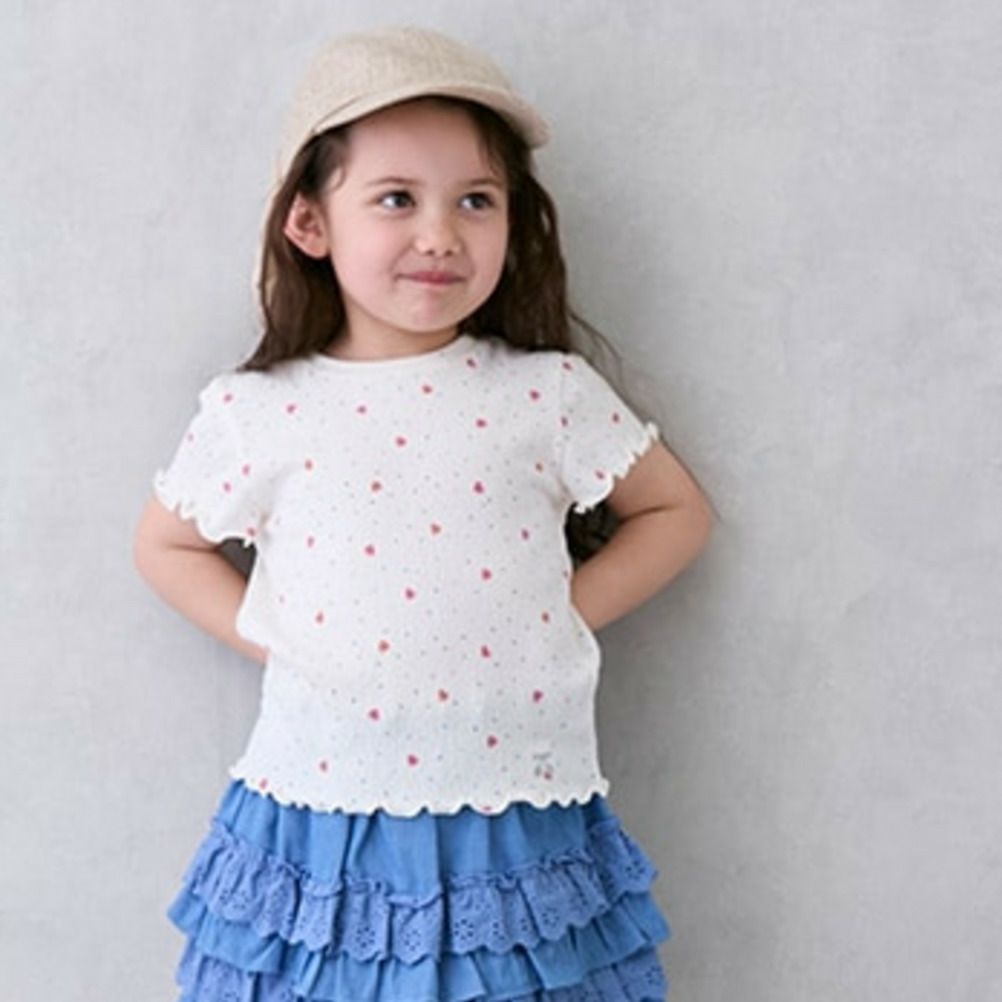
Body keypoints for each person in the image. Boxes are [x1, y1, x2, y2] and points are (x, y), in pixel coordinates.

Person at [133, 24, 713, 1002]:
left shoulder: (545, 393)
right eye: (396, 198)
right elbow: (166, 544)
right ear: (310, 223)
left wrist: (554, 614)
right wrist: (283, 637)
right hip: (323, 808)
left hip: (512, 810)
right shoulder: (260, 409)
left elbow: (673, 511)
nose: (441, 234)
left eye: (475, 201)